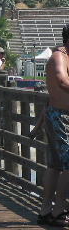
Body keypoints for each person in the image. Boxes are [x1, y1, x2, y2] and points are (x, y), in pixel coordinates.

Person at [38, 25, 69, 226]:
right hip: (60, 117)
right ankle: (58, 209)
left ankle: (45, 210)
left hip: (57, 115)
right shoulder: (59, 56)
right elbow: (61, 80)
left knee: (55, 165)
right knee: (66, 164)